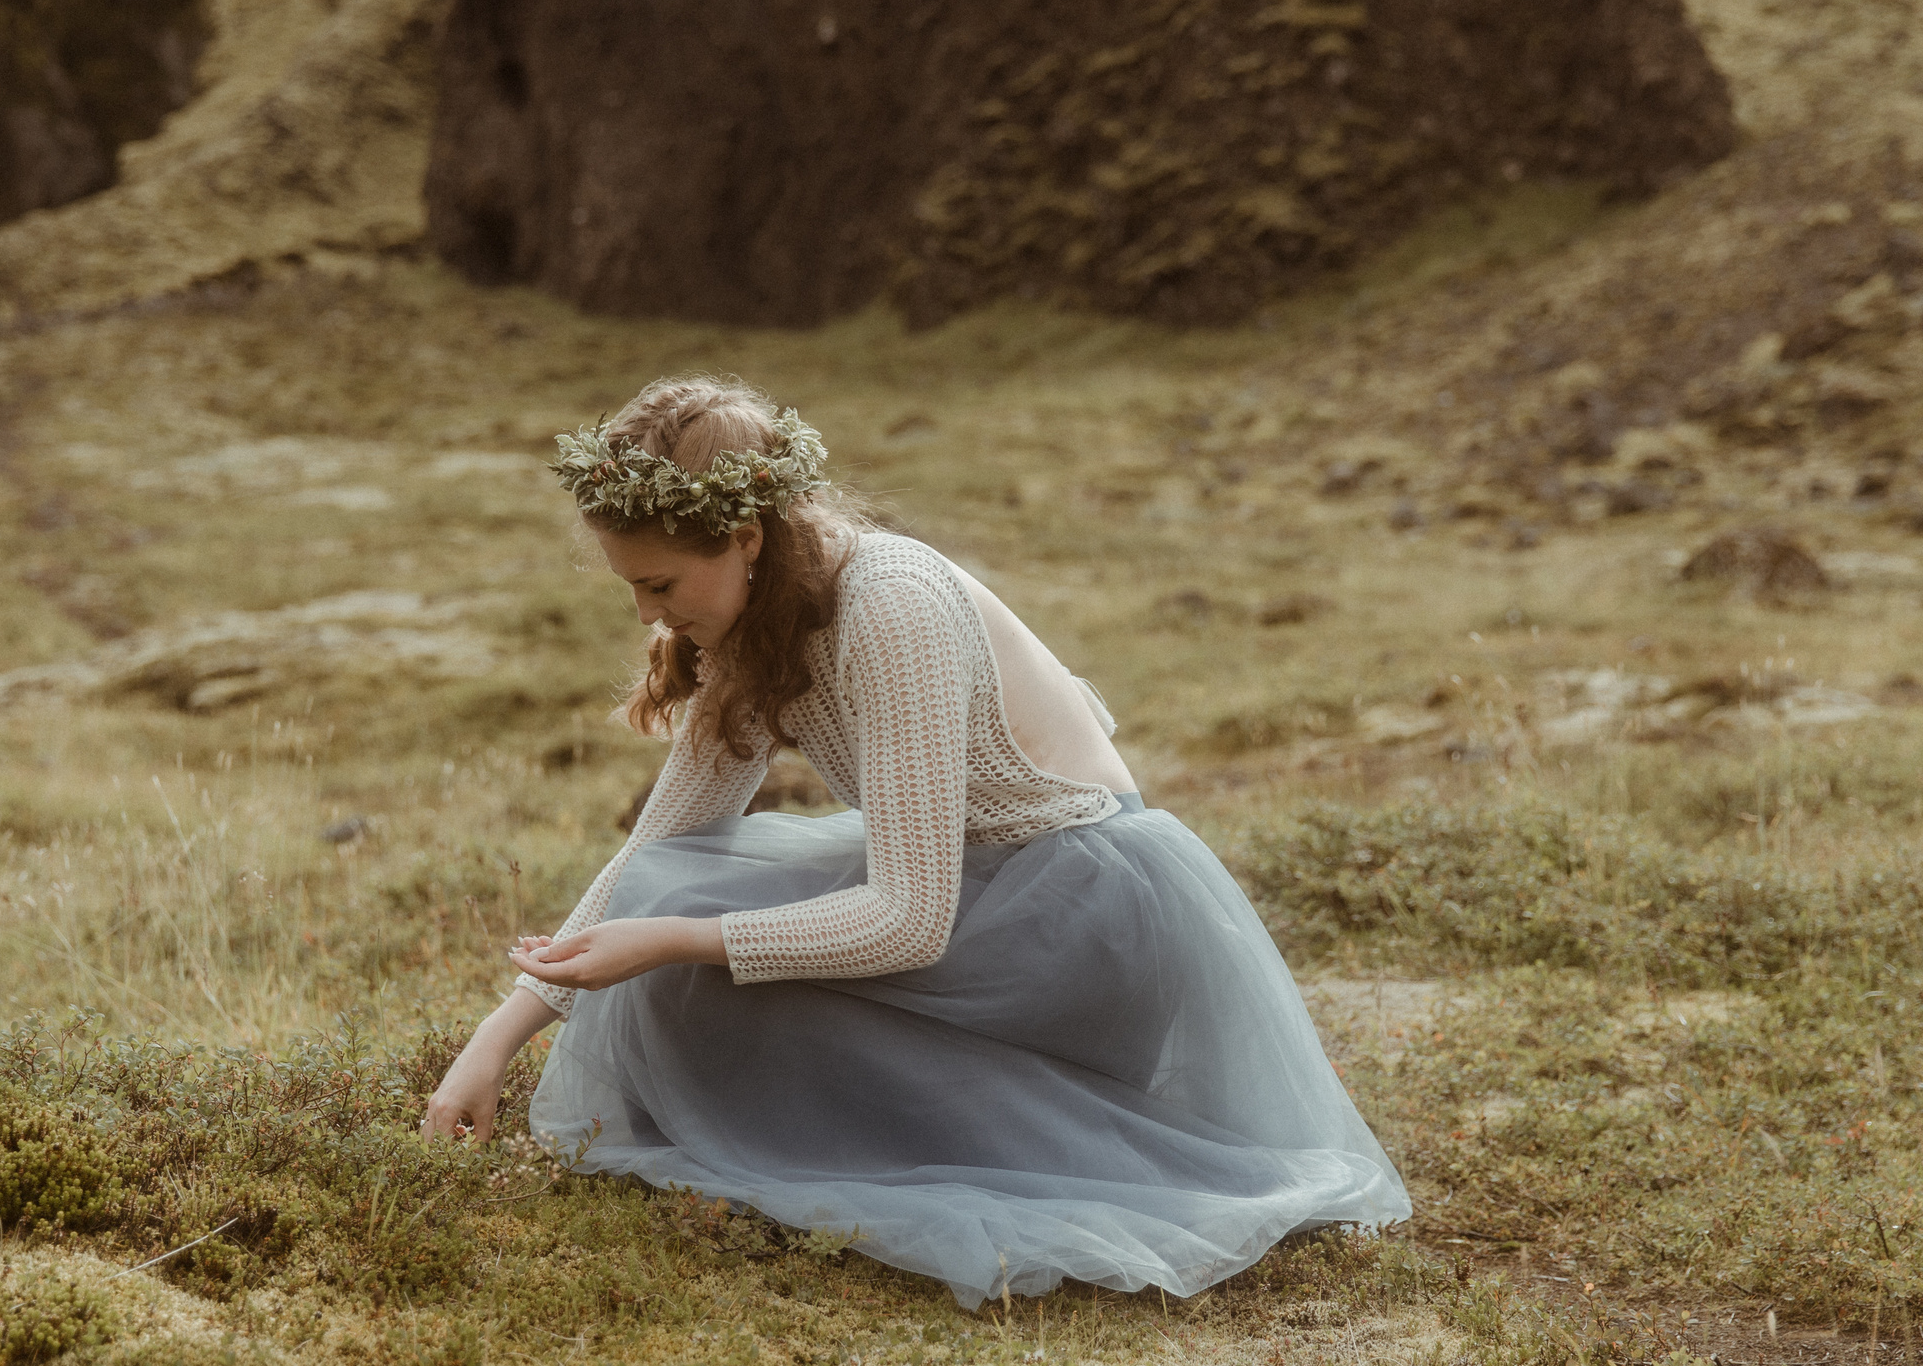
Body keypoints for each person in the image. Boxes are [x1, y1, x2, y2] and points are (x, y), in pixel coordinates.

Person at [420, 375, 1408, 1305]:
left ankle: (936, 1143)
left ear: (748, 536)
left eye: (662, 584)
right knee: (676, 896)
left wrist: (673, 939)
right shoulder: (762, 625)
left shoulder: (888, 604)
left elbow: (907, 923)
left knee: (687, 942)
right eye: (630, 588)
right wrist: (495, 1041)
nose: (646, 614)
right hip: (985, 904)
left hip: (1085, 928)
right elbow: (656, 849)